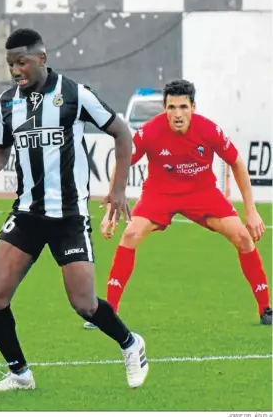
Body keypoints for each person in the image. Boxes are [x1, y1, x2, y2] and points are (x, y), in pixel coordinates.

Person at [0, 28, 149, 391]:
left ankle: (131, 343)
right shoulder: (7, 102)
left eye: (21, 62)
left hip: (69, 217)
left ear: (41, 58)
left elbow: (122, 133)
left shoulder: (74, 94)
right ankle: (20, 374)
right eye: (10, 64)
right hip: (26, 215)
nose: (15, 70)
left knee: (84, 304)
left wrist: (118, 189)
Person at [84, 79, 271, 330]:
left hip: (202, 193)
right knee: (131, 234)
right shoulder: (151, 131)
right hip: (160, 194)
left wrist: (251, 210)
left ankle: (265, 309)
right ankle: (109, 313)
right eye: (171, 107)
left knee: (243, 237)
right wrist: (111, 208)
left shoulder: (209, 130)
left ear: (193, 107)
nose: (177, 114)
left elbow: (237, 163)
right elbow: (122, 159)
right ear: (164, 108)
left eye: (183, 107)